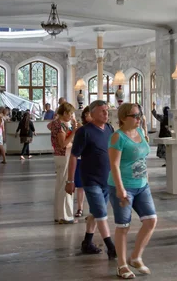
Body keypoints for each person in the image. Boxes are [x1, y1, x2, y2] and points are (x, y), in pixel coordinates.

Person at [108, 103, 157, 279]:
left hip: (142, 185)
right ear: (123, 118)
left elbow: (143, 158)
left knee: (151, 220)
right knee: (123, 226)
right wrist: (120, 189)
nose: (139, 118)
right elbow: (114, 164)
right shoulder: (117, 137)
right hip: (123, 185)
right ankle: (121, 265)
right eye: (135, 116)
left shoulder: (140, 133)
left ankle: (136, 256)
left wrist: (147, 178)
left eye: (139, 115)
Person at [65, 101, 117, 257]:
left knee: (95, 211)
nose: (106, 114)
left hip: (106, 179)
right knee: (101, 212)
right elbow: (74, 156)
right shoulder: (84, 132)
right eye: (102, 111)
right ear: (92, 114)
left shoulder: (109, 129)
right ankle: (111, 246)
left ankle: (87, 242)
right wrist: (70, 180)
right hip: (90, 179)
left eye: (107, 111)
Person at [50, 102, 77, 224]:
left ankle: (60, 214)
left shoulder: (58, 123)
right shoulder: (59, 125)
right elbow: (63, 143)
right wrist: (74, 132)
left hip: (62, 156)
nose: (71, 116)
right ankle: (65, 216)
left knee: (60, 185)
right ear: (65, 113)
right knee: (65, 185)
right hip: (64, 155)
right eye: (70, 113)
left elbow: (48, 126)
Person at [73, 107, 92, 218]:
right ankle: (80, 208)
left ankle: (92, 210)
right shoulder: (81, 128)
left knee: (91, 187)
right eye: (88, 114)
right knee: (80, 186)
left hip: (92, 161)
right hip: (81, 159)